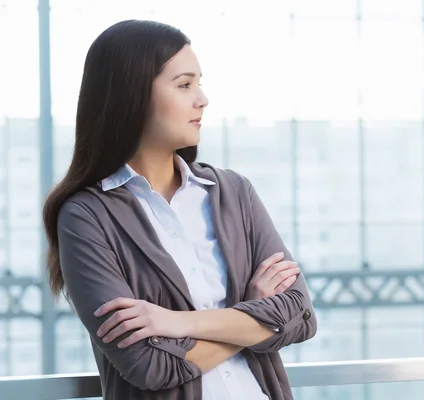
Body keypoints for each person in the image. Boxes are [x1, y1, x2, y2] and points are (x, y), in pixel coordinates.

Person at [42, 19, 317, 400]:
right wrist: (253, 317)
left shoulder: (233, 192)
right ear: (131, 94)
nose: (202, 98)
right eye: (184, 85)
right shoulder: (86, 217)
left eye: (199, 83)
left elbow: (300, 316)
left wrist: (175, 323)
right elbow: (150, 366)